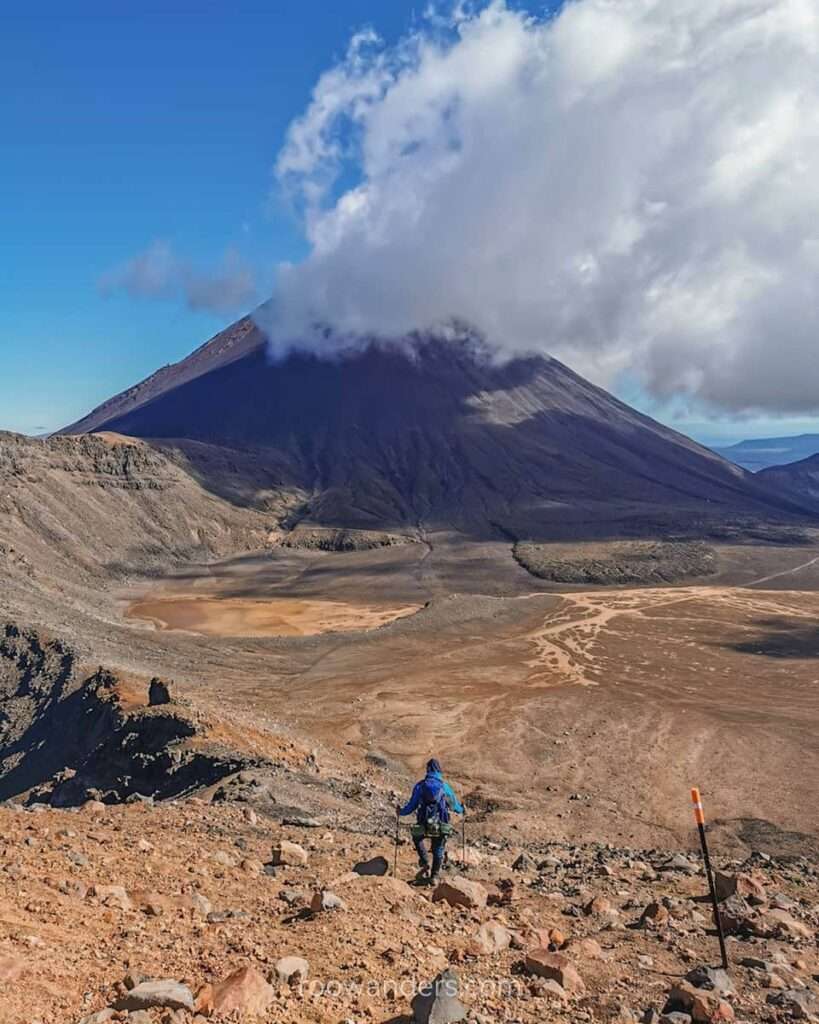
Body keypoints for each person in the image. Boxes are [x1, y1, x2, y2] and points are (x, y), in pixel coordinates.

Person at [397, 758, 464, 885]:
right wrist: (461, 810)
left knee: (417, 837)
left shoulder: (420, 786)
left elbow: (412, 805)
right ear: (439, 770)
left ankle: (425, 861)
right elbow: (454, 805)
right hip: (441, 823)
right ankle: (434, 876)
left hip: (423, 822)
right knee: (438, 848)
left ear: (427, 770)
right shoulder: (444, 787)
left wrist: (401, 812)